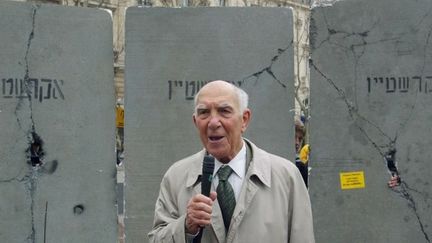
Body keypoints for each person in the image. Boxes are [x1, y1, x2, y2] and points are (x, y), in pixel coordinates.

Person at [148, 80, 315, 243]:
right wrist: (186, 226)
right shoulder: (176, 177)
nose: (213, 122)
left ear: (244, 119)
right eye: (204, 112)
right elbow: (155, 238)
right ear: (195, 122)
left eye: (224, 111)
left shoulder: (286, 177)